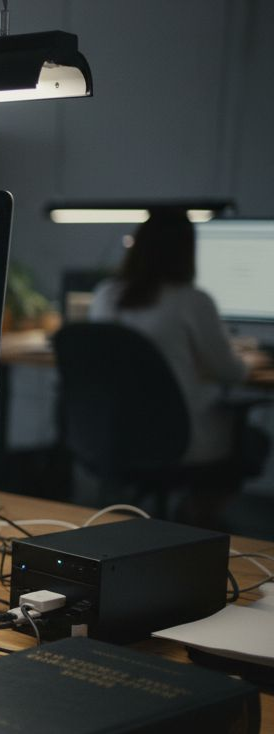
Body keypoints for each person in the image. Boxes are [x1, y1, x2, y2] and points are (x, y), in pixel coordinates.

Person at [88, 209, 271, 515]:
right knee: (254, 442)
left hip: (115, 435)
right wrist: (251, 359)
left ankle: (179, 519)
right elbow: (231, 372)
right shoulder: (192, 300)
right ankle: (197, 518)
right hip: (181, 440)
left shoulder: (106, 295)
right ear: (187, 252)